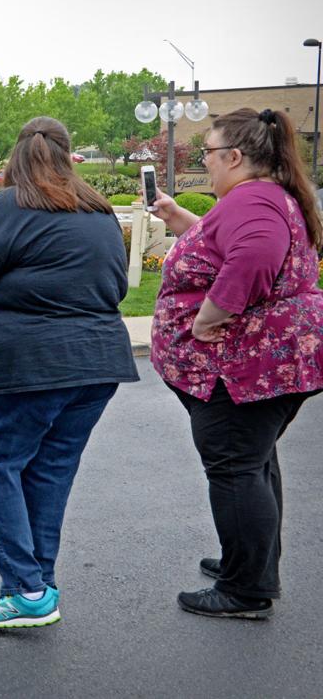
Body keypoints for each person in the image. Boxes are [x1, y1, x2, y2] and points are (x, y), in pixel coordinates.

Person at [0, 116, 139, 629]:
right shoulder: (98, 212)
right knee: (48, 469)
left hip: (23, 366)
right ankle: (37, 585)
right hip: (96, 365)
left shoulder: (9, 207)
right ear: (67, 155)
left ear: (16, 158)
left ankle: (27, 589)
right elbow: (113, 287)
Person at [149, 107, 323, 619]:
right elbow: (231, 244)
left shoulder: (255, 202)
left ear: (234, 156)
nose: (206, 161)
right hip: (260, 363)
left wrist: (208, 317)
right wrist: (186, 223)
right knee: (252, 462)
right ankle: (248, 562)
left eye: (207, 152)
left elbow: (254, 255)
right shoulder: (262, 197)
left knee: (235, 466)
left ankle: (246, 589)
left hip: (241, 367)